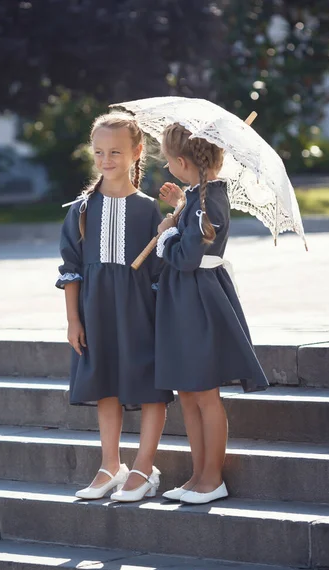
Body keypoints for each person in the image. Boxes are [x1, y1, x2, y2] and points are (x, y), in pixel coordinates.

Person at [56, 112, 173, 502]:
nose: (106, 159)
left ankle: (143, 467)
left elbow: (160, 271)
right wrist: (73, 320)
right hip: (96, 311)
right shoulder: (81, 209)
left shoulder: (149, 210)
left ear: (137, 152)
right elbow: (71, 269)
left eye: (116, 152)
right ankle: (110, 465)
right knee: (104, 382)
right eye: (100, 152)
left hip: (141, 311)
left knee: (150, 386)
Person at [155, 123, 268, 505]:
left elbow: (187, 257)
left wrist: (166, 232)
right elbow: (193, 232)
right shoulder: (199, 197)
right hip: (185, 300)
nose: (168, 167)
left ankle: (212, 478)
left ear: (182, 161)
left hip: (199, 302)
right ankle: (197, 474)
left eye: (169, 161)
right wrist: (179, 210)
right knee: (188, 391)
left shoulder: (210, 202)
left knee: (204, 392)